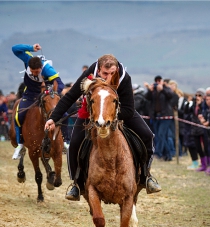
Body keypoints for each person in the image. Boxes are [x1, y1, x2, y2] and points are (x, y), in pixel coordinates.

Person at [45, 54, 161, 201]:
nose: (109, 77)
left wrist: (110, 115)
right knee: (74, 144)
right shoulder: (89, 74)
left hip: (119, 112)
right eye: (105, 73)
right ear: (98, 70)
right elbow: (71, 96)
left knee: (148, 135)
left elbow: (129, 110)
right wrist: (53, 118)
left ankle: (146, 177)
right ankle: (77, 184)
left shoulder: (124, 78)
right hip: (91, 111)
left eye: (112, 73)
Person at [11, 43, 65, 159]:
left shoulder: (47, 69)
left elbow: (60, 84)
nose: (35, 74)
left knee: (63, 114)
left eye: (37, 72)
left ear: (41, 68)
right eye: (32, 71)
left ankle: (65, 141)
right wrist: (31, 48)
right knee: (18, 115)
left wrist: (51, 93)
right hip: (30, 94)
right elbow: (14, 49)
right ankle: (20, 144)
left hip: (46, 95)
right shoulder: (28, 59)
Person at [144, 75, 174, 161]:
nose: (157, 82)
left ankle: (158, 153)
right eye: (156, 81)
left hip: (165, 116)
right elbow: (147, 98)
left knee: (161, 134)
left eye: (159, 81)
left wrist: (162, 90)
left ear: (162, 81)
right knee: (159, 136)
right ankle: (168, 155)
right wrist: (150, 90)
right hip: (156, 116)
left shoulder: (166, 88)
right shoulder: (153, 91)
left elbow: (170, 95)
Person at [184, 88, 209, 171]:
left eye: (199, 95)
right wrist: (189, 103)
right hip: (194, 129)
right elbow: (187, 111)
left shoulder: (205, 105)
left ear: (203, 97)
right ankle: (203, 164)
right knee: (198, 148)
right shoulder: (194, 105)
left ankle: (208, 164)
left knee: (205, 147)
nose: (197, 97)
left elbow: (203, 113)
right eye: (196, 95)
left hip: (202, 129)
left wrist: (200, 104)